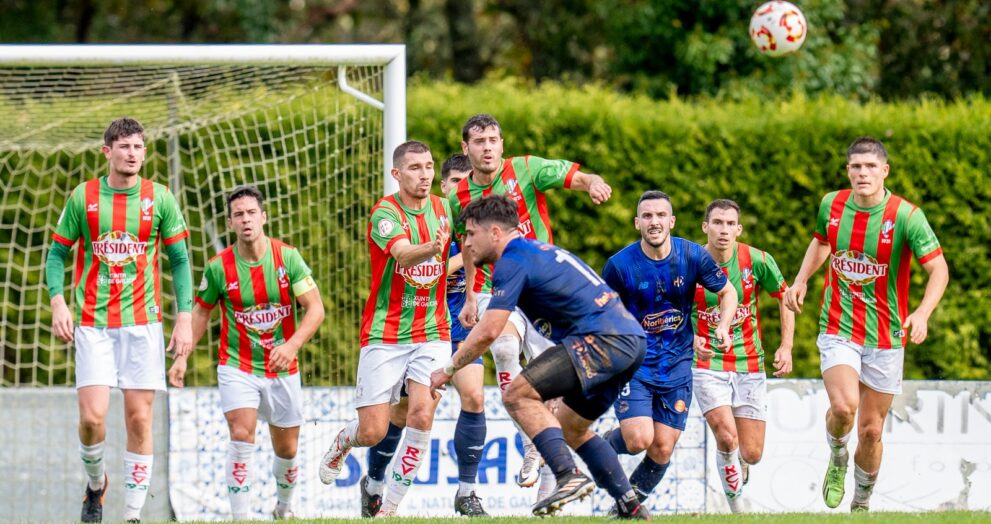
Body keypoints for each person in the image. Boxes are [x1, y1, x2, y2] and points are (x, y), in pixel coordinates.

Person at [430, 195, 650, 519]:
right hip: (629, 342)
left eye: (470, 234)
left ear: (494, 232)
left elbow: (490, 331)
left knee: (517, 394)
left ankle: (567, 475)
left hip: (602, 340)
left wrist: (448, 369)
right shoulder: (535, 252)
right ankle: (631, 507)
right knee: (572, 429)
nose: (465, 244)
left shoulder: (512, 261)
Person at [783, 137, 948, 512]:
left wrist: (921, 313)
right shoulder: (832, 203)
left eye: (870, 166)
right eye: (856, 166)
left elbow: (938, 269)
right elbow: (822, 241)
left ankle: (861, 503)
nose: (862, 173)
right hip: (839, 326)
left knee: (872, 431)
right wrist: (802, 278)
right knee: (844, 408)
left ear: (884, 171)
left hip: (887, 335)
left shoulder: (906, 216)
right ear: (848, 171)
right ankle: (838, 456)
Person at [448, 113, 612, 486]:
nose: (487, 147)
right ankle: (529, 442)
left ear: (502, 144)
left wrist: (593, 184)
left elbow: (575, 176)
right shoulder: (458, 197)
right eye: (479, 141)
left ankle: (549, 484)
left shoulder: (527, 168)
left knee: (551, 393)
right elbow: (467, 247)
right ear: (465, 148)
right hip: (497, 288)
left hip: (542, 289)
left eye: (493, 140)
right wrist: (472, 296)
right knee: (504, 344)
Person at [45, 117, 194, 523]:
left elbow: (180, 260)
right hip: (93, 324)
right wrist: (59, 303)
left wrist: (184, 318)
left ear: (145, 152)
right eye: (124, 146)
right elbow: (57, 254)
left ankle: (131, 516)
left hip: (144, 325)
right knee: (92, 419)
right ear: (106, 151)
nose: (132, 153)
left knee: (139, 418)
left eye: (138, 147)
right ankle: (96, 486)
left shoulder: (160, 198)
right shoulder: (84, 197)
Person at [167, 186, 325, 520]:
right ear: (230, 223)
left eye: (251, 213)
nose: (246, 220)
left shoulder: (287, 258)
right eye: (239, 215)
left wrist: (292, 345)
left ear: (264, 217)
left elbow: (315, 310)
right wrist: (182, 357)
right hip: (237, 365)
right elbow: (200, 313)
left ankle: (284, 507)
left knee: (287, 448)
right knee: (241, 434)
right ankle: (240, 517)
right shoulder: (218, 268)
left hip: (283, 369)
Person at [318, 140, 452, 518]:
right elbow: (403, 254)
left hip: (433, 330)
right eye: (414, 168)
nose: (424, 174)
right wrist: (433, 248)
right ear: (397, 174)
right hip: (386, 333)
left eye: (428, 166)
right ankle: (344, 442)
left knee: (422, 414)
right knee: (373, 431)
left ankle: (388, 510)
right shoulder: (384, 214)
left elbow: (463, 252)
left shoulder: (444, 209)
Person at [360, 154, 489, 517]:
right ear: (445, 185)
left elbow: (477, 255)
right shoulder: (424, 217)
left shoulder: (460, 219)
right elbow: (412, 258)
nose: (460, 191)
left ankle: (467, 491)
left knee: (473, 397)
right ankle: (373, 480)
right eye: (455, 183)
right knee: (399, 414)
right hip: (411, 320)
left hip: (455, 321)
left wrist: (473, 292)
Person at [600, 190, 737, 507]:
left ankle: (625, 509)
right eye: (647, 216)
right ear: (637, 223)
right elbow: (600, 312)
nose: (654, 222)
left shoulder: (692, 256)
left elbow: (728, 293)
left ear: (672, 221)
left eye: (661, 215)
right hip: (635, 366)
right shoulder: (620, 266)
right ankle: (598, 444)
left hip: (677, 367)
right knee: (638, 440)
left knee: (661, 447)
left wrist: (722, 326)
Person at [690, 198, 794, 512]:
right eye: (717, 223)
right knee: (726, 436)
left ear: (739, 229)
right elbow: (670, 309)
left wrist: (786, 345)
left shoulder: (757, 260)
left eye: (730, 224)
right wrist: (691, 337)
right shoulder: (688, 262)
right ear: (705, 227)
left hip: (749, 362)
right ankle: (736, 510)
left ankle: (738, 463)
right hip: (706, 363)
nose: (723, 230)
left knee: (751, 452)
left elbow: (784, 298)